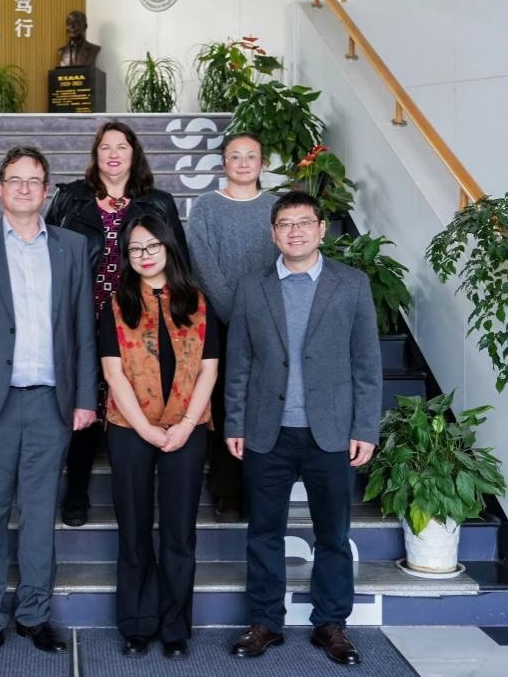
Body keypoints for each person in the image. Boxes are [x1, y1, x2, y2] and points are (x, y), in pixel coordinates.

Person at [0, 146, 97, 669]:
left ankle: (33, 615)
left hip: (52, 404)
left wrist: (84, 397)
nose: (25, 188)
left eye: (35, 181)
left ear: (47, 191)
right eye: (15, 180)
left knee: (39, 517)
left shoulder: (72, 247)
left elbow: (82, 328)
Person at [224, 192, 382, 667]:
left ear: (321, 229)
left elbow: (366, 364)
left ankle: (330, 623)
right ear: (273, 234)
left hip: (330, 433)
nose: (295, 231)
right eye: (285, 224)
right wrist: (234, 421)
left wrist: (365, 428)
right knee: (263, 532)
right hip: (266, 430)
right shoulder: (251, 287)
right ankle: (265, 622)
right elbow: (239, 363)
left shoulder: (351, 284)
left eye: (304, 222)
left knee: (332, 533)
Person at [46, 120, 186, 527]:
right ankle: (76, 495)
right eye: (105, 147)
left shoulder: (157, 202)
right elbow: (48, 253)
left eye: (121, 146)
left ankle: (145, 498)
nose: (113, 154)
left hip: (138, 318)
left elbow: (177, 259)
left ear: (133, 153)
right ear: (95, 155)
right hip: (82, 315)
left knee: (138, 398)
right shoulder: (71, 199)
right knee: (84, 401)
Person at [99, 215, 219, 660]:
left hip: (188, 427)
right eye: (135, 249)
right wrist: (147, 428)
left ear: (168, 247)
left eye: (152, 246)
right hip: (130, 428)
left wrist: (186, 424)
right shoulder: (117, 304)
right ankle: (136, 624)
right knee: (133, 528)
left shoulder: (197, 302)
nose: (144, 255)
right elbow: (113, 374)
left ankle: (174, 628)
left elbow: (209, 370)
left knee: (178, 531)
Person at [186, 132, 278, 523]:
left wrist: (259, 314)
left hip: (271, 321)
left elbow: (285, 260)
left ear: (262, 163)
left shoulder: (276, 207)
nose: (242, 163)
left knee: (265, 403)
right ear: (224, 162)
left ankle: (259, 490)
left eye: (250, 156)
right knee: (225, 404)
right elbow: (202, 264)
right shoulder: (206, 207)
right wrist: (236, 314)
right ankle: (227, 492)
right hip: (218, 323)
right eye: (235, 156)